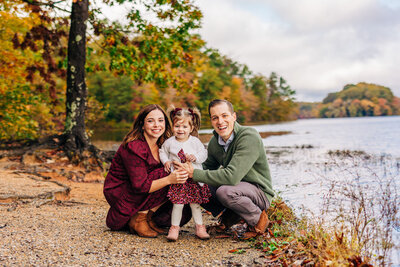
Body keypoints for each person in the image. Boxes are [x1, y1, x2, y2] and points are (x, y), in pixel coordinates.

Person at [175, 99, 274, 239]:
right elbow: (206, 167)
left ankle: (258, 221)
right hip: (237, 189)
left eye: (224, 116)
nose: (220, 121)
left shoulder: (249, 136)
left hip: (259, 192)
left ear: (234, 116)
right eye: (215, 118)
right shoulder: (216, 142)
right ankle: (232, 216)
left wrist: (194, 173)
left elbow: (231, 177)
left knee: (225, 191)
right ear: (211, 121)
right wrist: (186, 167)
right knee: (195, 183)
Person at [103, 104, 191, 238]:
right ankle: (139, 218)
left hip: (145, 189)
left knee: (184, 212)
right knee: (169, 171)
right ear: (142, 125)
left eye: (160, 120)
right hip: (123, 191)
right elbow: (139, 185)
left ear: (166, 124)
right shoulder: (134, 146)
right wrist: (169, 179)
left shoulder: (163, 143)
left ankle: (147, 217)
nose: (157, 125)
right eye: (151, 121)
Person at [159, 107, 211, 241]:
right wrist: (166, 161)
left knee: (195, 204)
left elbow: (204, 153)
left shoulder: (194, 141)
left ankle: (200, 227)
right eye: (177, 126)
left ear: (191, 127)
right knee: (178, 204)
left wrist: (195, 157)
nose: (180, 129)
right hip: (179, 179)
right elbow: (162, 151)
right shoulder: (170, 142)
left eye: (184, 126)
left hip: (193, 178)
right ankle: (174, 228)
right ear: (173, 126)